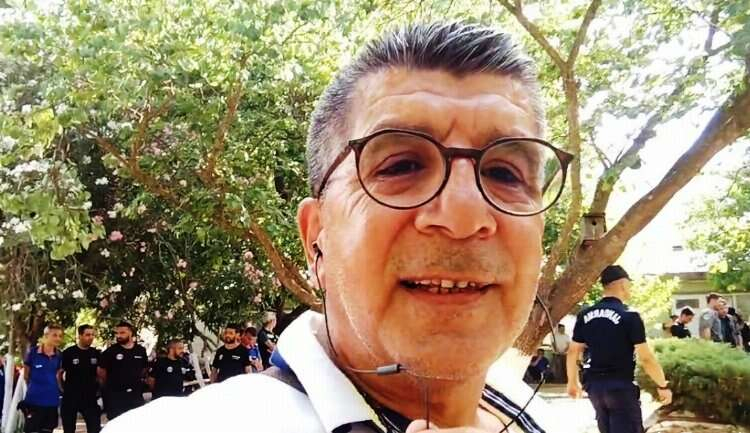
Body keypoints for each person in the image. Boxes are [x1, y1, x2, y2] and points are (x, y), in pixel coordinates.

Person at [104, 22, 575, 433]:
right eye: (402, 165)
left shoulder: (543, 416)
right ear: (317, 240)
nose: (465, 215)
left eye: (504, 174)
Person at [567, 265, 672, 433]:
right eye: (629, 284)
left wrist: (573, 382)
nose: (630, 288)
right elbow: (646, 358)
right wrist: (662, 385)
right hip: (620, 387)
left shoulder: (584, 315)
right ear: (623, 284)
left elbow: (573, 351)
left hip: (595, 387)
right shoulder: (630, 316)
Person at [98, 321, 148, 420]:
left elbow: (144, 369)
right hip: (116, 396)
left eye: (122, 333)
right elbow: (101, 371)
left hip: (135, 395)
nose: (119, 336)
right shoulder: (110, 351)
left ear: (130, 333)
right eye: (117, 333)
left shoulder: (140, 350)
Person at [22, 324, 63, 433]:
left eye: (60, 336)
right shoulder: (33, 353)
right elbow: (26, 376)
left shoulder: (59, 355)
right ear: (46, 336)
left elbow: (59, 377)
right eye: (55, 335)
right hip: (34, 402)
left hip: (52, 402)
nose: (58, 338)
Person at [61, 324, 101, 433]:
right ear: (80, 336)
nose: (91, 337)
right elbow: (59, 373)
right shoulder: (68, 353)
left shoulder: (96, 353)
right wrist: (62, 389)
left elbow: (100, 374)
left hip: (90, 398)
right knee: (69, 429)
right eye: (87, 335)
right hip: (71, 397)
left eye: (92, 335)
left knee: (94, 428)